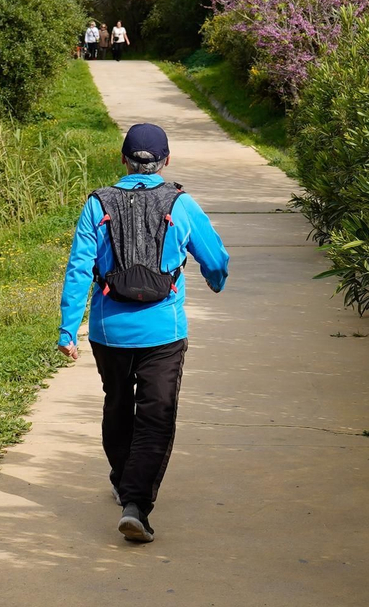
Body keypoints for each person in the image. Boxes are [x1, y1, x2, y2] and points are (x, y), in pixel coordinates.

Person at [56, 123, 229, 544]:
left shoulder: (98, 204)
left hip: (108, 332)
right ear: (166, 160)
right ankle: (135, 503)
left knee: (117, 404)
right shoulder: (180, 202)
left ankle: (121, 479)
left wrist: (67, 329)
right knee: (156, 416)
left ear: (123, 159)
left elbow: (80, 268)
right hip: (163, 332)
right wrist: (215, 278)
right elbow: (215, 256)